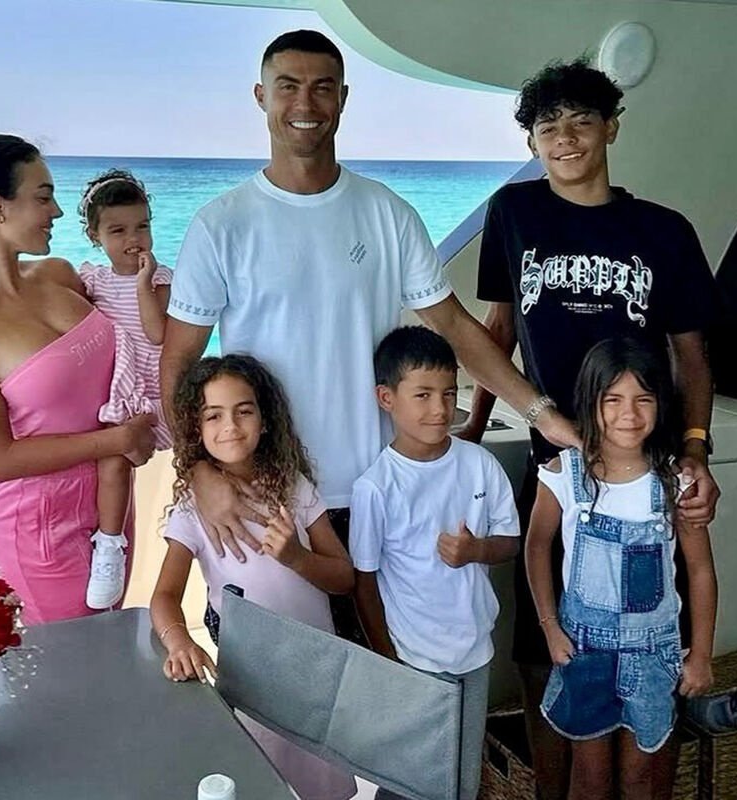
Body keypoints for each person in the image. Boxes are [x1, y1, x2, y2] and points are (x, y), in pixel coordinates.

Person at [161, 31, 579, 645]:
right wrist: (200, 471)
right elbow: (179, 363)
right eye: (288, 86)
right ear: (260, 96)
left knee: (391, 675)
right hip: (270, 500)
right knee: (277, 687)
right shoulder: (220, 225)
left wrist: (542, 415)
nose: (306, 103)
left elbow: (456, 327)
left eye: (322, 87)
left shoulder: (387, 213)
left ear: (343, 98)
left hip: (379, 492)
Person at [462, 59, 721, 798]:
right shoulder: (513, 213)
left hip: (647, 468)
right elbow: (499, 330)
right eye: (549, 126)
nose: (566, 138)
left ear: (612, 128)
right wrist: (470, 437)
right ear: (532, 141)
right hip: (556, 468)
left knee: (653, 644)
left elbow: (692, 357)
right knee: (546, 653)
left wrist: (696, 452)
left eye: (582, 121)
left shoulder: (663, 231)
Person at [0, 134, 155, 625]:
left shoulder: (59, 275)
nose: (58, 212)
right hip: (37, 532)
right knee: (76, 662)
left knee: (106, 645)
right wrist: (116, 440)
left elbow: (137, 334)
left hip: (110, 511)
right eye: (43, 197)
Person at [150, 354, 356, 800]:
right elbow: (164, 595)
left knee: (323, 783)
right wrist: (179, 642)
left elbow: (344, 577)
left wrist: (297, 557)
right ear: (197, 429)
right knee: (262, 780)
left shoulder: (294, 487)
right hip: (253, 681)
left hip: (317, 674)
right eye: (213, 415)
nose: (230, 426)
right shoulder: (193, 508)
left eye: (243, 411)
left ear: (265, 421)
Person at [526, 338, 717, 800]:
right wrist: (550, 627)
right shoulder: (563, 473)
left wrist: (701, 655)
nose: (628, 414)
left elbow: (700, 571)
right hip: (583, 651)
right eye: (612, 399)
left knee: (639, 777)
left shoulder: (675, 481)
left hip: (653, 656)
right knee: (589, 777)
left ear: (660, 404)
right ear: (589, 403)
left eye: (643, 399)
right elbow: (536, 546)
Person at [350, 326, 520, 800]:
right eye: (422, 395)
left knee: (462, 775)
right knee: (409, 778)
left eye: (448, 393)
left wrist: (476, 551)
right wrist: (389, 661)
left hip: (475, 651)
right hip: (414, 658)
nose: (440, 409)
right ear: (387, 398)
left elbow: (510, 542)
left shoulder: (478, 464)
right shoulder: (376, 487)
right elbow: (364, 583)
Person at [75, 169, 173, 610]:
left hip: (154, 389)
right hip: (119, 389)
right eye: (118, 231)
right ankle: (110, 544)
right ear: (95, 236)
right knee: (113, 461)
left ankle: (187, 536)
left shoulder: (160, 279)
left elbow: (156, 334)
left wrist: (142, 285)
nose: (133, 239)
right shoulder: (93, 281)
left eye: (142, 226)